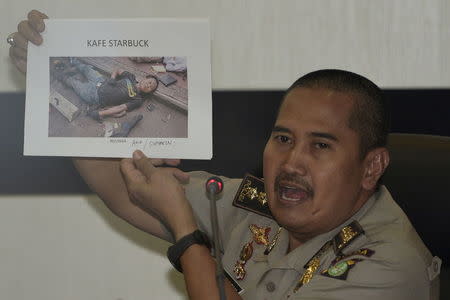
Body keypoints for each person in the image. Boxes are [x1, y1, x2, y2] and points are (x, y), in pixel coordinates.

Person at [8, 10, 440, 300]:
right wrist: (48, 73)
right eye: (283, 139)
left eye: (320, 146)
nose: (291, 164)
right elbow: (125, 193)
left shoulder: (387, 267)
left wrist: (185, 233)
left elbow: (179, 221)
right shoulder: (261, 205)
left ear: (371, 167)